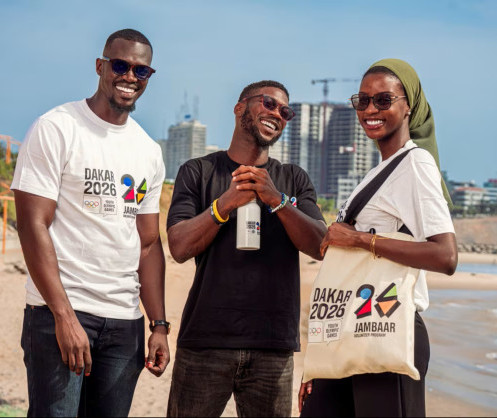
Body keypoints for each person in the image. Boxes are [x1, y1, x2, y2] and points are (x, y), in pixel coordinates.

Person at [11, 29, 170, 417]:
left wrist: (159, 325)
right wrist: (64, 317)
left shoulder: (148, 150)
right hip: (61, 312)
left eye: (141, 70)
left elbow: (148, 243)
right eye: (120, 65)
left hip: (125, 323)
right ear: (100, 66)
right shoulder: (57, 127)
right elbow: (33, 225)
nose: (130, 76)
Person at [298, 59, 458, 417]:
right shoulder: (379, 172)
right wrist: (318, 361)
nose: (370, 110)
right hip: (350, 327)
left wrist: (359, 240)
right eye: (363, 100)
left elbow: (445, 256)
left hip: (387, 326)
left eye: (383, 100)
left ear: (409, 106)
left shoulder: (415, 164)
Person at [166, 80, 327, 417]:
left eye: (285, 111)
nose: (277, 113)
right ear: (240, 108)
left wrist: (277, 200)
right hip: (205, 341)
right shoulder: (198, 172)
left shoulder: (294, 179)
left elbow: (320, 245)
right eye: (268, 103)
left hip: (273, 346)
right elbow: (179, 246)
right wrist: (223, 205)